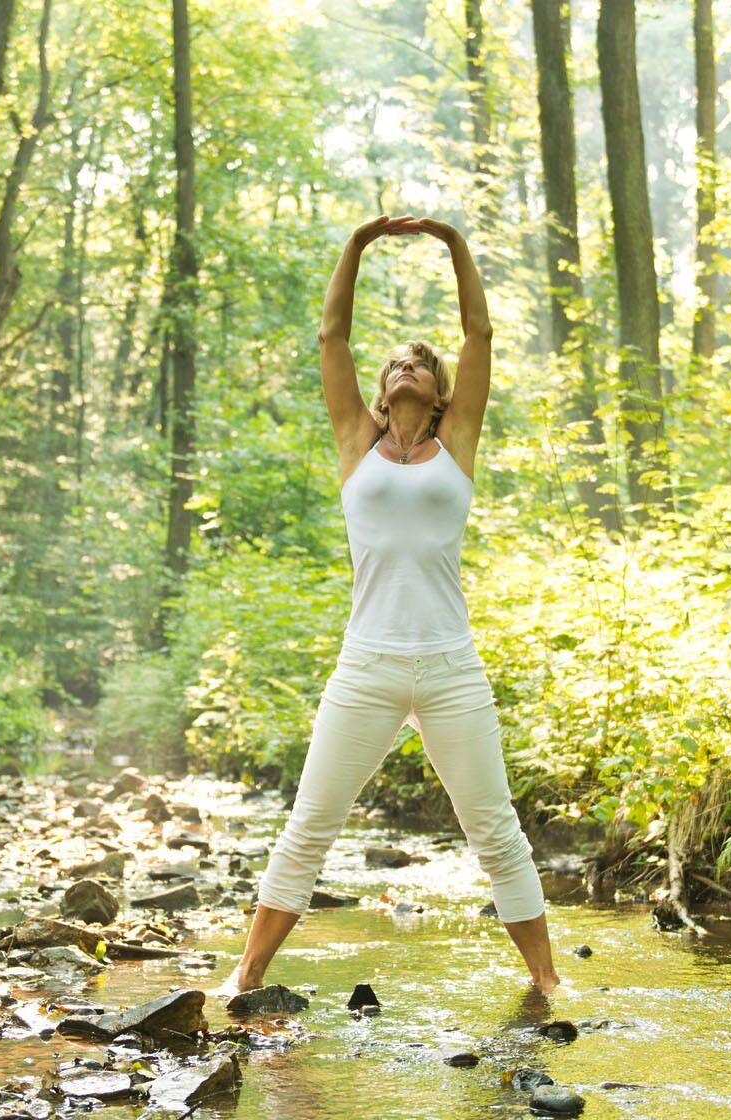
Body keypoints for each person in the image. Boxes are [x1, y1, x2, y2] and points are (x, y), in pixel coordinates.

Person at [218, 214, 560, 997]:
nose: (406, 367)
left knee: (496, 831)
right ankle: (244, 976)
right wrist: (360, 242)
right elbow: (331, 337)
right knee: (309, 827)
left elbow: (481, 333)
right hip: (366, 666)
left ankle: (547, 985)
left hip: (449, 666)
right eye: (396, 363)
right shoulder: (356, 442)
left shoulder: (459, 440)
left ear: (438, 392)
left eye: (419, 363)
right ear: (381, 389)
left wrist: (451, 241)